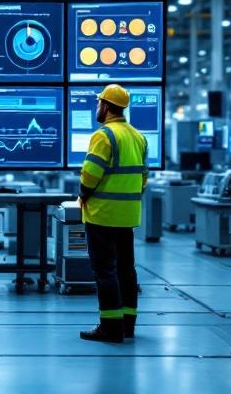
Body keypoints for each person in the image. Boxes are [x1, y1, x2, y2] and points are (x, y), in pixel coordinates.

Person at [77, 84, 149, 344]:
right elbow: (143, 178)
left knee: (105, 271)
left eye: (99, 103)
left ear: (107, 106)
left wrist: (83, 194)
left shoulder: (104, 136)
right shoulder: (138, 136)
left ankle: (110, 327)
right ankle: (127, 325)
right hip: (127, 216)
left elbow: (90, 175)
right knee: (126, 270)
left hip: (103, 215)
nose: (97, 107)